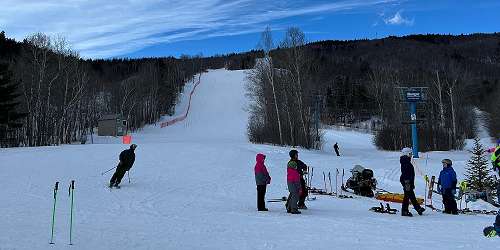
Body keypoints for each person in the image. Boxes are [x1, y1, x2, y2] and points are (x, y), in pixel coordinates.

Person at [399, 147, 425, 217]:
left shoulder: (406, 161)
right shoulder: (405, 162)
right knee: (407, 196)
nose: (411, 155)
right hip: (406, 181)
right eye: (410, 154)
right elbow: (405, 173)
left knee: (411, 196)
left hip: (408, 181)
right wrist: (407, 183)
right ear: (407, 154)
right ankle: (404, 211)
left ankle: (418, 208)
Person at [286, 149, 302, 214]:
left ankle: (289, 207)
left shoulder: (289, 171)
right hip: (294, 185)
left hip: (290, 184)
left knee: (292, 195)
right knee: (295, 196)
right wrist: (300, 188)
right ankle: (294, 209)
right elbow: (297, 181)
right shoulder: (295, 173)